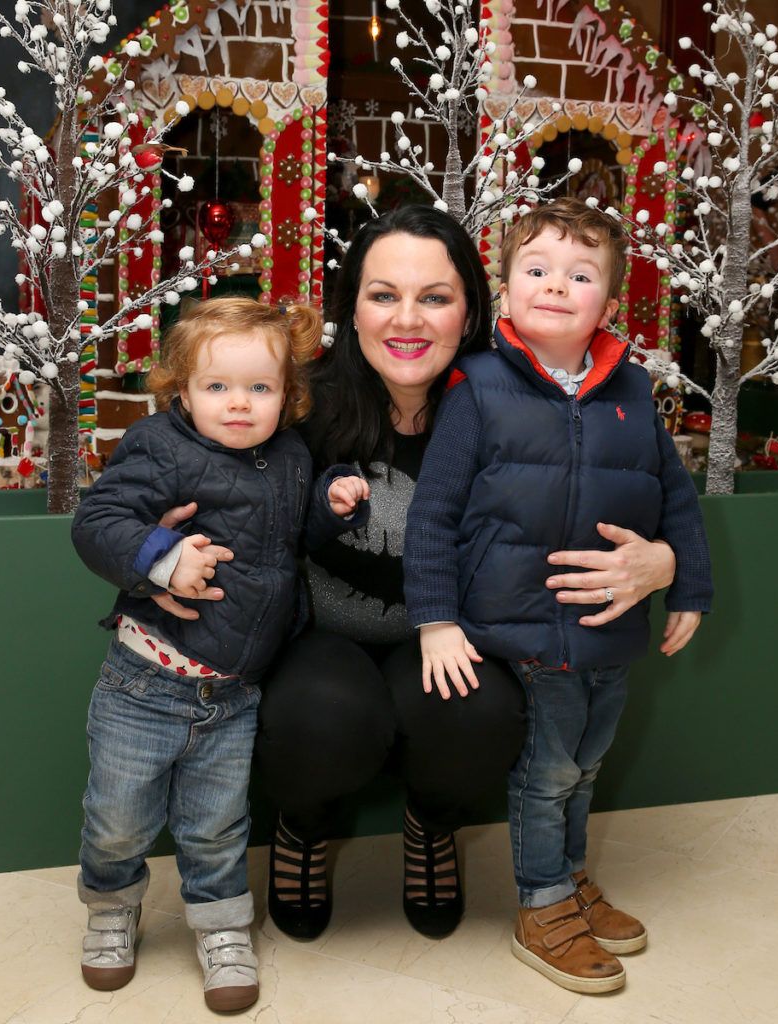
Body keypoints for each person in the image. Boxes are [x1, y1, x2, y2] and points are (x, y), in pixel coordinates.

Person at [155, 206, 679, 946]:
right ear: (351, 307)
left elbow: (619, 483)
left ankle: (432, 825)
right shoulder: (295, 399)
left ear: (470, 307)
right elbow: (188, 461)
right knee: (320, 717)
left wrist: (666, 560)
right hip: (322, 635)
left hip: (453, 638)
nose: (408, 319)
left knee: (479, 712)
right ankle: (304, 827)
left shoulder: (512, 403)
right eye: (383, 295)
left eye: (434, 296)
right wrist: (155, 552)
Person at [403, 198, 713, 992]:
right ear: (504, 290)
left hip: (610, 628)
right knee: (545, 773)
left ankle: (571, 878)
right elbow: (433, 514)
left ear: (608, 304)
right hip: (526, 631)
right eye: (535, 270)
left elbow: (674, 498)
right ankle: (541, 904)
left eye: (580, 275)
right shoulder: (477, 387)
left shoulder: (634, 391)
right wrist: (436, 620)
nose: (555, 286)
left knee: (587, 766)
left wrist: (689, 586)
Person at [70, 297, 363, 1013]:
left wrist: (330, 503)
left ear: (287, 395)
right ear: (181, 390)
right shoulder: (159, 447)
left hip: (233, 693)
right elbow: (98, 522)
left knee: (218, 827)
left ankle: (223, 926)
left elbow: (293, 538)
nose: (240, 405)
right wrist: (163, 559)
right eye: (218, 387)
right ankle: (111, 906)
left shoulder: (292, 457)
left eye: (260, 389)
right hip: (146, 680)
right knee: (119, 819)